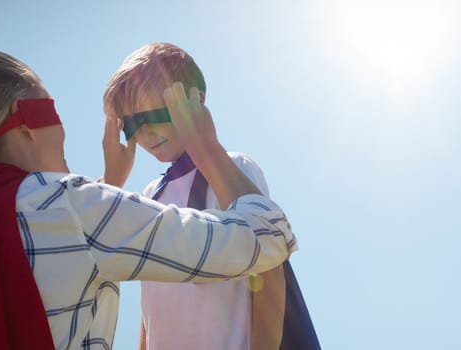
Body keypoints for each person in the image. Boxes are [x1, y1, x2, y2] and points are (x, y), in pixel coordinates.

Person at [0, 49, 297, 350]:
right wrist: (205, 147)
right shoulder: (70, 208)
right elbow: (265, 239)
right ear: (29, 123)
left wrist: (111, 182)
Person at [103, 43, 319, 350]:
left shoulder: (232, 168)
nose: (147, 134)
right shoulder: (151, 194)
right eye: (133, 124)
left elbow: (268, 272)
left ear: (195, 101)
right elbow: (149, 302)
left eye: (155, 116)